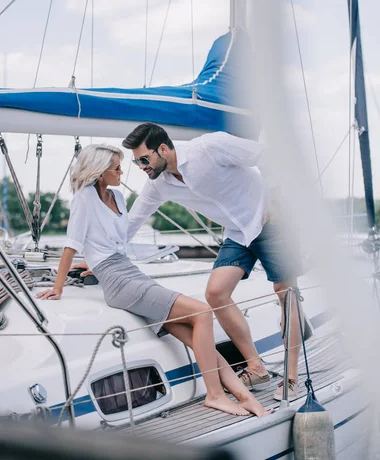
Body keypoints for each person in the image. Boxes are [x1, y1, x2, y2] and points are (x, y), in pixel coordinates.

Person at [36, 144, 270, 417]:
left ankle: (243, 396)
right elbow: (72, 244)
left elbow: (116, 243)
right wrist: (57, 287)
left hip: (130, 272)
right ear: (100, 173)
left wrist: (94, 263)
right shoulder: (84, 198)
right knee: (203, 312)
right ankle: (215, 395)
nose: (122, 172)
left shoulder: (118, 198)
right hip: (119, 283)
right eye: (116, 168)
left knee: (197, 339)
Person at [122, 123, 303, 402]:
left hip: (270, 222)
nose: (141, 166)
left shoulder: (210, 147)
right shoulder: (158, 185)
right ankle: (256, 366)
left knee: (285, 293)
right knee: (216, 293)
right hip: (238, 232)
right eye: (136, 162)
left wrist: (276, 201)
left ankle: (292, 379)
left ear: (163, 148)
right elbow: (133, 220)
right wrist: (100, 257)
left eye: (144, 159)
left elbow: (266, 156)